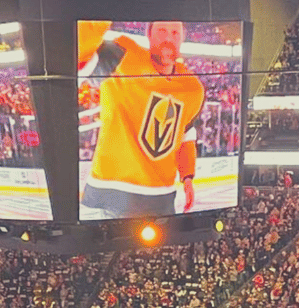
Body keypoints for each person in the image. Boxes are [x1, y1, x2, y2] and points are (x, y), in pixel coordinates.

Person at [76, 20, 206, 218]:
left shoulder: (193, 88)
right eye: (162, 31)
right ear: (149, 35)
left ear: (182, 39)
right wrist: (99, 15)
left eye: (175, 33)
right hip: (111, 192)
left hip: (162, 198)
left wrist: (187, 176)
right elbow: (80, 53)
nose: (168, 38)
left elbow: (186, 131)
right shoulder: (123, 56)